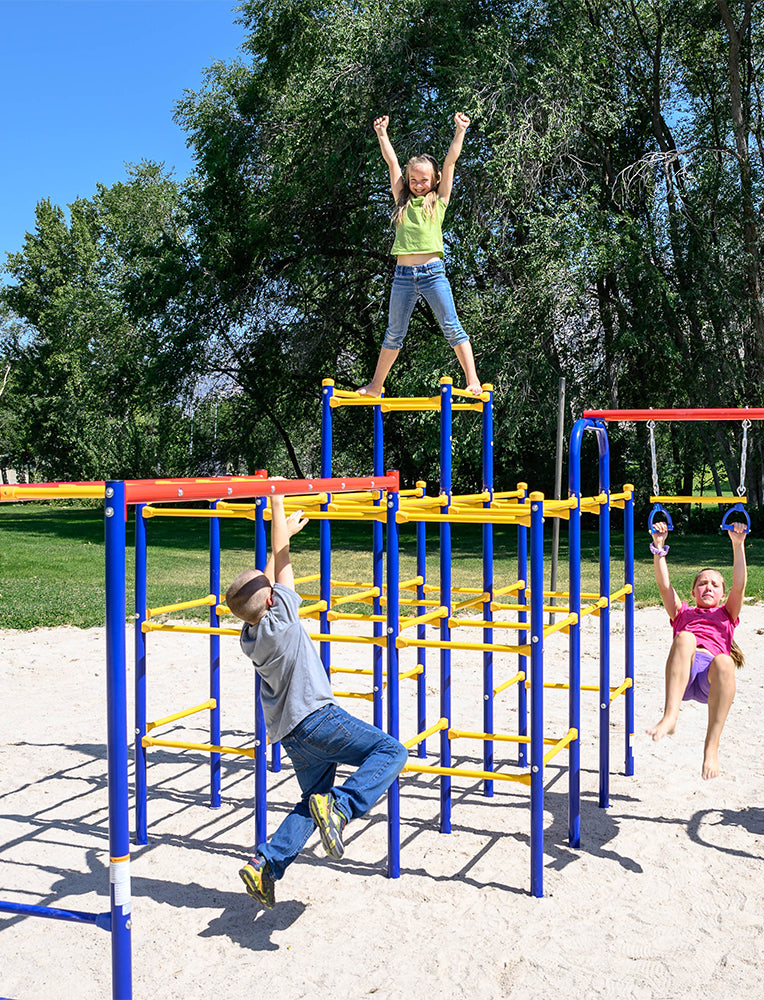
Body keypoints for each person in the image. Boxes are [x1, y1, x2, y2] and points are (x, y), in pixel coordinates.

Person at [225, 489, 408, 908]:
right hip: (318, 719)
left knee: (312, 801)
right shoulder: (285, 619)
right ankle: (343, 809)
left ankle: (265, 866)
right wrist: (277, 500)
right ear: (273, 601)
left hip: (290, 735)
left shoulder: (250, 635)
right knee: (390, 751)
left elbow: (263, 588)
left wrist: (283, 536)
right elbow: (281, 571)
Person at [359, 112, 482, 398]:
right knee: (393, 333)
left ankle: (472, 379)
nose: (417, 184)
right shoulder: (401, 199)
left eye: (423, 180)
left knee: (452, 327)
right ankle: (376, 386)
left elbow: (451, 161)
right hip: (402, 277)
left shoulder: (438, 201)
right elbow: (391, 162)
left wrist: (460, 131)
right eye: (413, 179)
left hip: (432, 274)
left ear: (435, 179)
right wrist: (382, 134)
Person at [644, 519, 748, 780]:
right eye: (702, 583)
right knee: (686, 638)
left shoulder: (727, 614)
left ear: (723, 595)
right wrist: (659, 548)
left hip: (709, 680)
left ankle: (711, 748)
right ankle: (670, 716)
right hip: (683, 673)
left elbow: (739, 585)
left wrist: (738, 545)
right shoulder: (682, 613)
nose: (708, 587)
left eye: (714, 584)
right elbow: (664, 587)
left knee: (725, 661)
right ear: (693, 592)